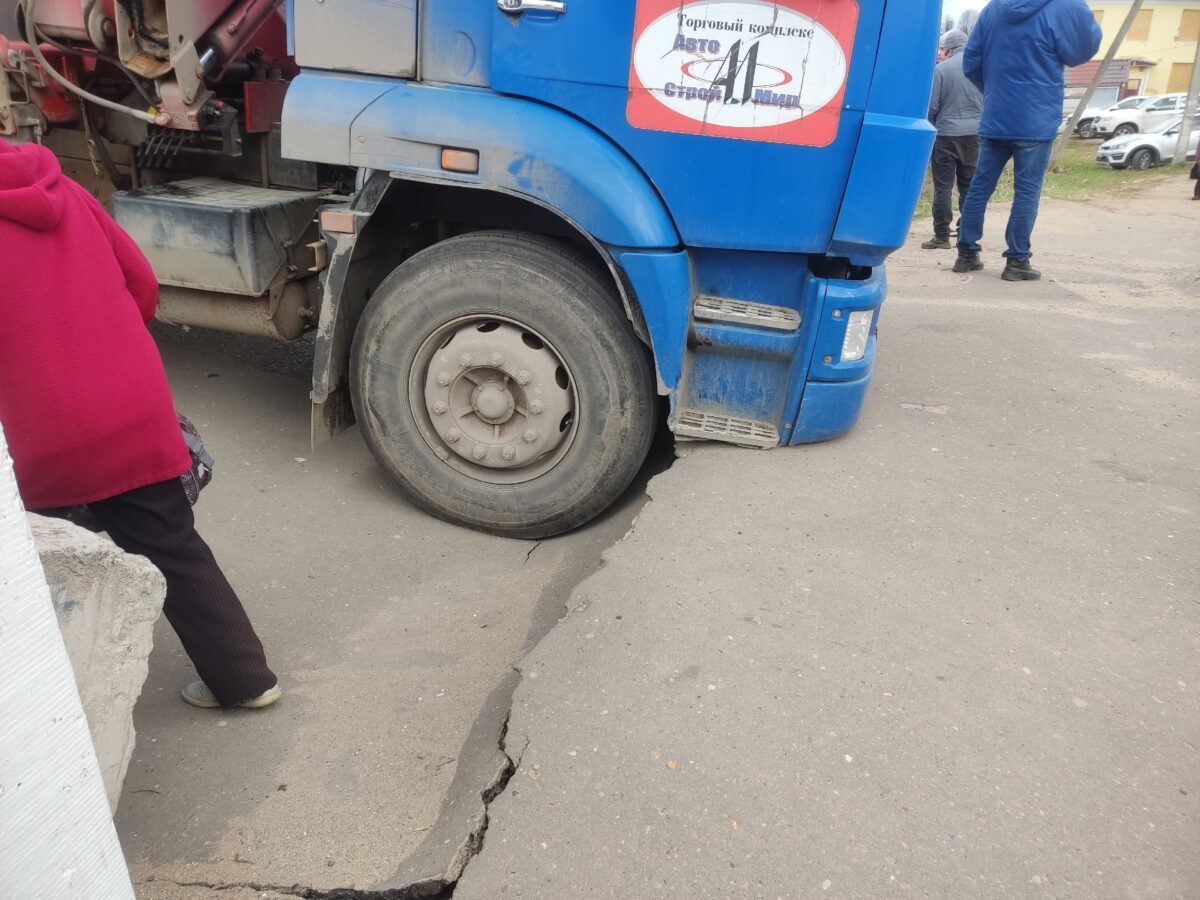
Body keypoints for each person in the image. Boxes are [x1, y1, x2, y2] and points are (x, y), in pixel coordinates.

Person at [0, 140, 280, 711]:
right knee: (173, 545)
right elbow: (142, 285)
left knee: (31, 568)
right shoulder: (66, 189)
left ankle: (50, 716)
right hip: (131, 409)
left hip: (36, 435)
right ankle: (246, 682)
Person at [953, 0, 1102, 281]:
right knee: (1026, 192)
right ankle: (1017, 261)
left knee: (979, 187)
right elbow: (1081, 49)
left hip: (996, 115)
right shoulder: (1062, 6)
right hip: (1036, 117)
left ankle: (966, 254)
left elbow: (971, 61)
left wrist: (995, 91)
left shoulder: (993, 9)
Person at [922, 29, 983, 251]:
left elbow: (932, 106)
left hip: (946, 136)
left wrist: (931, 129)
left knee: (943, 188)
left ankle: (941, 236)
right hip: (974, 137)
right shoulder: (982, 68)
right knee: (969, 187)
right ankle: (965, 233)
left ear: (949, 48)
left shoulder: (941, 70)